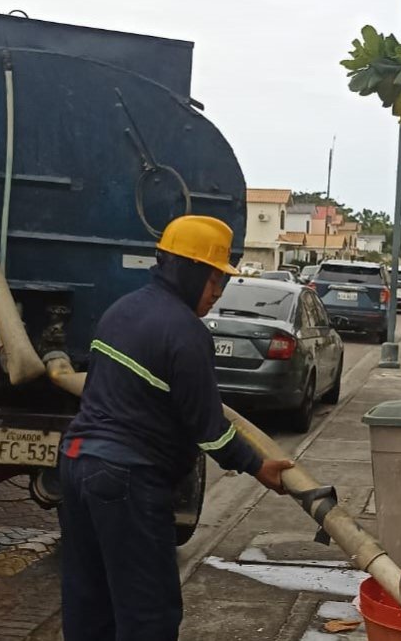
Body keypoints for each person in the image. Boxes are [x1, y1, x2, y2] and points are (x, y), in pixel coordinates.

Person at [59, 215, 295, 641]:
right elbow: (211, 431)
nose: (218, 291)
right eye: (214, 278)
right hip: (128, 478)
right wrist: (259, 466)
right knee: (149, 615)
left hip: (77, 465)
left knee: (89, 604)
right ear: (187, 271)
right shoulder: (186, 333)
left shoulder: (120, 310)